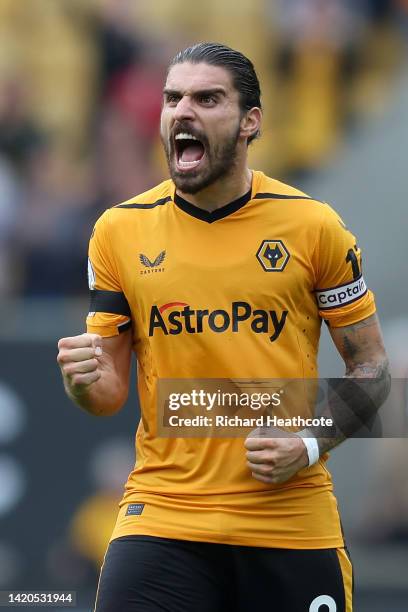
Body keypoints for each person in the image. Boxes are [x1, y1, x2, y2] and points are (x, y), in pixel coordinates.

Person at [57, 43, 389, 612]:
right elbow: (108, 395)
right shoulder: (118, 231)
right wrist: (82, 382)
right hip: (163, 516)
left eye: (207, 98)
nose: (182, 112)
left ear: (249, 123)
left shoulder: (313, 227)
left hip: (289, 520)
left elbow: (373, 369)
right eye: (172, 98)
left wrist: (308, 443)